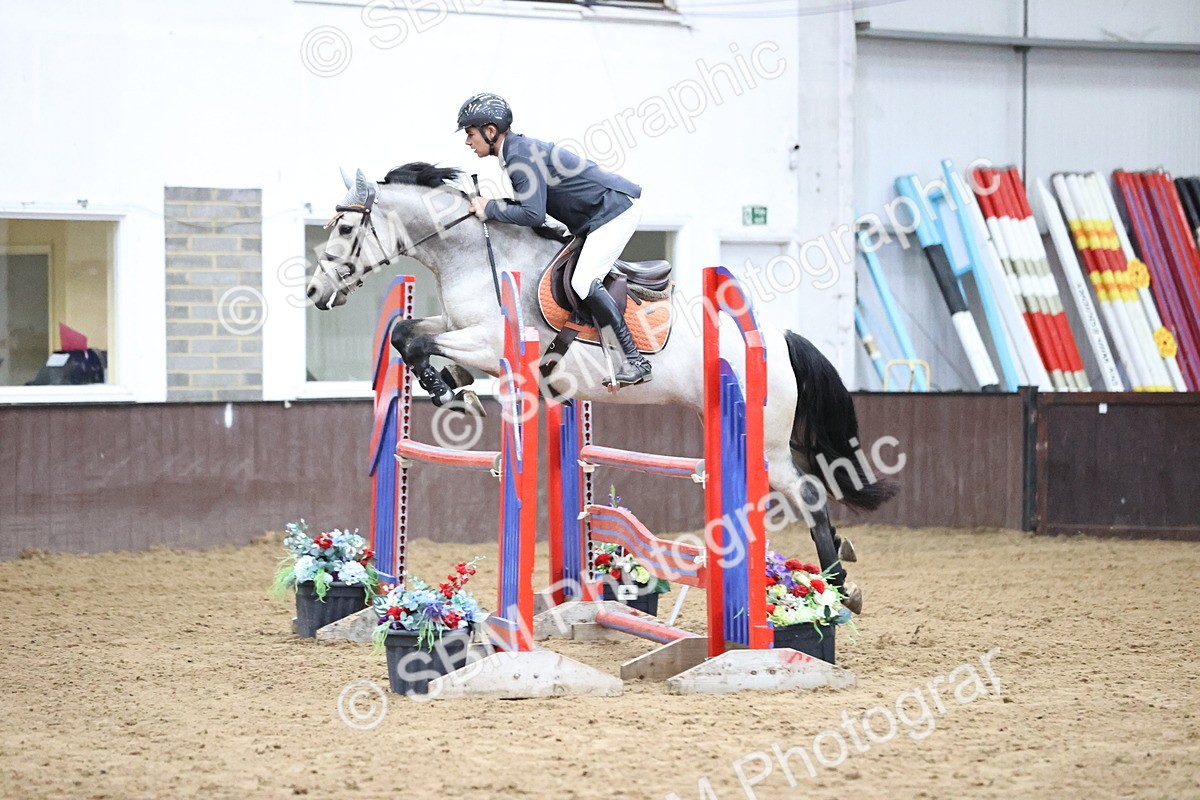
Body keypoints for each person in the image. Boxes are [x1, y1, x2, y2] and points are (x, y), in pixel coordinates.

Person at [457, 92, 652, 387]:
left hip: (615, 210)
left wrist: (491, 207)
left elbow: (533, 215)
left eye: (470, 134)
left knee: (583, 281)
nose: (468, 142)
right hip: (597, 215)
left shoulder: (519, 156)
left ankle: (635, 360)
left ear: (490, 131)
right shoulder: (517, 152)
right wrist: (494, 206)